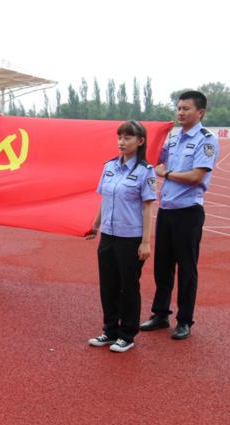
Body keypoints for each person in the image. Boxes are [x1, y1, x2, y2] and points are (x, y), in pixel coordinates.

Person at [139, 90, 219, 340]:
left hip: (188, 212)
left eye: (186, 108)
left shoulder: (206, 140)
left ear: (200, 112)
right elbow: (153, 157)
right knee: (162, 267)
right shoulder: (173, 139)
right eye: (179, 108)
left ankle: (184, 320)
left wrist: (166, 174)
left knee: (186, 268)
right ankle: (160, 314)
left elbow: (196, 176)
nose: (180, 112)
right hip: (166, 211)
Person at [86, 121, 156, 353]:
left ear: (140, 141)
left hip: (130, 238)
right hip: (108, 235)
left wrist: (145, 242)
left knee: (128, 287)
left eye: (127, 138)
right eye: (120, 137)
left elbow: (147, 207)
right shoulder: (109, 167)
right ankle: (110, 331)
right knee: (108, 286)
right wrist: (96, 225)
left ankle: (127, 334)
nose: (122, 142)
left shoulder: (145, 171)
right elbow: (105, 200)